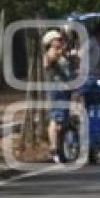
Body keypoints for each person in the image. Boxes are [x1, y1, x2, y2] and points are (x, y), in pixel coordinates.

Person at [42, 29, 76, 163]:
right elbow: (49, 61)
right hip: (56, 90)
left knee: (62, 121)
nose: (61, 41)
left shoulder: (63, 55)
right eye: (58, 39)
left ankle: (61, 148)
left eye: (61, 39)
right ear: (51, 42)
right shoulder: (51, 53)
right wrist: (60, 52)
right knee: (56, 120)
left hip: (65, 90)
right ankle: (54, 148)